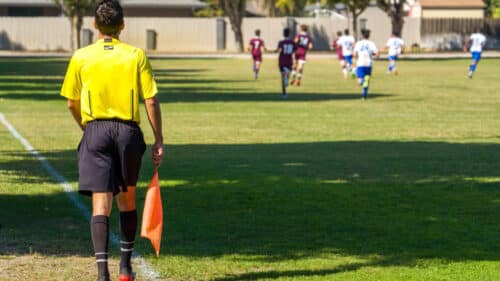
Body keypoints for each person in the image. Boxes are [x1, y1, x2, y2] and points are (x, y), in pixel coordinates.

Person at [60, 1, 164, 281]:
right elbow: (151, 99)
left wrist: (87, 127)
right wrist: (158, 139)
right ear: (122, 25)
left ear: (94, 25)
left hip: (96, 130)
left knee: (100, 204)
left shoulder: (81, 56)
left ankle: (102, 273)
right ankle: (126, 269)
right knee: (127, 200)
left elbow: (71, 102)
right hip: (128, 132)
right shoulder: (136, 55)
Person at [353, 29, 379, 100]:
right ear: (369, 35)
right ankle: (364, 96)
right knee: (367, 79)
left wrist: (355, 59)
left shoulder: (358, 43)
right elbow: (377, 54)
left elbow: (355, 54)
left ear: (362, 35)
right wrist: (373, 55)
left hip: (360, 63)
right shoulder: (371, 43)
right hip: (368, 63)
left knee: (359, 81)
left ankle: (361, 81)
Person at [276, 28, 296, 97]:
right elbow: (293, 53)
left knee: (282, 76)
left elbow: (278, 50)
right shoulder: (293, 43)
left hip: (282, 60)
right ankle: (286, 79)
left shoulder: (281, 42)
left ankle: (284, 93)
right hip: (289, 60)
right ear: (289, 34)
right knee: (287, 75)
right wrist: (294, 62)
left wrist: (275, 50)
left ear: (283, 34)